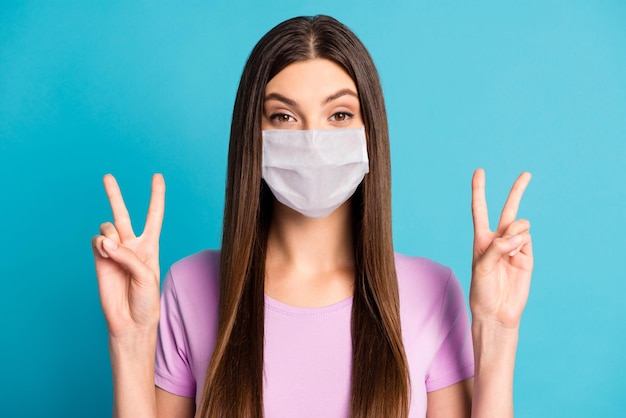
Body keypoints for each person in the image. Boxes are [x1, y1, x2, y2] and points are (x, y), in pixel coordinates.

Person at [92, 15, 533, 418]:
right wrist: (129, 341)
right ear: (253, 135)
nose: (313, 141)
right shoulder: (189, 286)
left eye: (339, 114)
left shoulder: (431, 292)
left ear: (369, 134)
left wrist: (496, 333)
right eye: (283, 116)